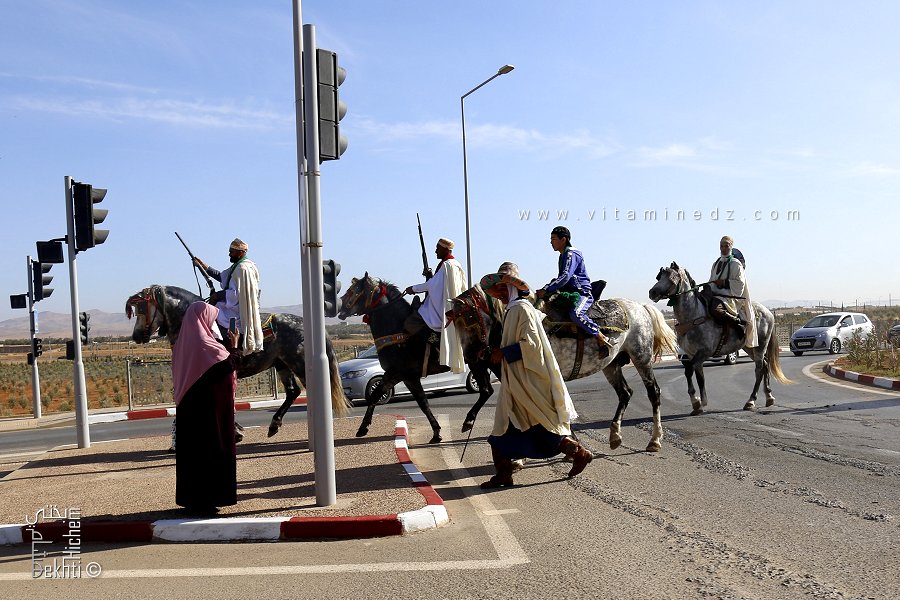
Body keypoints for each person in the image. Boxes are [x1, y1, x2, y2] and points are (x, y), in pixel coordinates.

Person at [478, 269, 593, 489]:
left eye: (503, 289)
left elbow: (531, 345)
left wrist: (504, 353)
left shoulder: (521, 309)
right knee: (506, 427)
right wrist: (495, 351)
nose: (500, 294)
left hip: (528, 380)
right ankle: (504, 474)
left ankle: (578, 452)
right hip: (516, 380)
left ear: (512, 288)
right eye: (497, 291)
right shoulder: (512, 310)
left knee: (533, 427)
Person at [172, 302, 242, 513]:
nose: (212, 323)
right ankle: (209, 500)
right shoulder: (205, 343)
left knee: (192, 455)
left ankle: (193, 499)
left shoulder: (184, 343)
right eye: (211, 319)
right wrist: (235, 345)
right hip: (209, 412)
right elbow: (229, 364)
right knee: (212, 450)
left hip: (189, 408)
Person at [535, 226, 612, 357]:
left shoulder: (571, 254)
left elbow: (565, 277)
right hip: (570, 292)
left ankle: (601, 336)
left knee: (575, 314)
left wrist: (546, 289)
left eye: (553, 239)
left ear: (563, 239)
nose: (551, 242)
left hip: (582, 293)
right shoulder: (562, 255)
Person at [403, 237, 467, 373]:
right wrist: (430, 275)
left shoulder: (447, 265)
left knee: (411, 323)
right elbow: (440, 284)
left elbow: (432, 286)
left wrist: (412, 289)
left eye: (438, 249)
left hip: (441, 308)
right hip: (446, 304)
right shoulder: (454, 264)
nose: (435, 251)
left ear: (445, 249)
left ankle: (436, 342)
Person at [193, 238, 264, 354]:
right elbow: (221, 277)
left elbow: (237, 295)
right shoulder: (237, 266)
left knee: (210, 315)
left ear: (241, 253)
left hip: (238, 308)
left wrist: (218, 295)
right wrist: (202, 265)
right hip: (231, 304)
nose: (229, 254)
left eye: (232, 251)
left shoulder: (243, 268)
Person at [708, 235, 757, 347]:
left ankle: (737, 323)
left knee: (716, 309)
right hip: (716, 295)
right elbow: (711, 280)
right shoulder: (715, 263)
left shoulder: (735, 264)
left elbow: (740, 284)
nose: (724, 248)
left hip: (730, 297)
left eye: (727, 246)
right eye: (722, 246)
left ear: (731, 247)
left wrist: (724, 283)